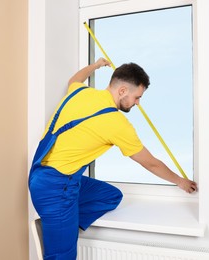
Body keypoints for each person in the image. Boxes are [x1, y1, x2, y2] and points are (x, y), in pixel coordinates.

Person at [28, 58, 198, 260]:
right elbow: (150, 162)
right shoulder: (116, 123)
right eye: (137, 97)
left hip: (46, 175)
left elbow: (75, 79)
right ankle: (58, 232)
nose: (138, 103)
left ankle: (60, 226)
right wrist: (181, 181)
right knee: (62, 258)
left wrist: (96, 66)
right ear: (123, 90)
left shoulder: (81, 92)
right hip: (56, 188)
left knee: (110, 196)